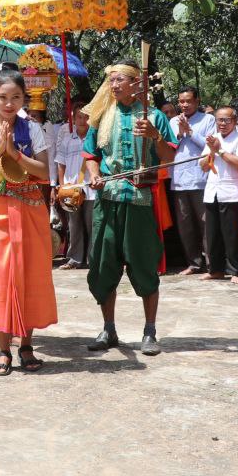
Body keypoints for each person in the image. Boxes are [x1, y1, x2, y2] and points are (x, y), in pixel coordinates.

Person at [82, 61, 177, 356]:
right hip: (107, 200)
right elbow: (91, 155)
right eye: (111, 80)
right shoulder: (101, 116)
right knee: (103, 265)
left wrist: (154, 136)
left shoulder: (155, 117)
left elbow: (168, 158)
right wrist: (94, 175)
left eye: (119, 79)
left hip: (140, 202)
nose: (113, 85)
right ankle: (108, 329)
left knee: (144, 264)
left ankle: (150, 331)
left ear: (137, 83)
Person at [0, 65, 57, 375]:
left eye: (16, 97)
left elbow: (44, 172)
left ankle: (26, 345)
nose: (9, 103)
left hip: (30, 207)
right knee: (2, 277)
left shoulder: (32, 129)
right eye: (3, 97)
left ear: (24, 99)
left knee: (30, 274)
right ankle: (3, 348)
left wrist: (15, 153)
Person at [202, 106, 238, 283]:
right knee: (213, 234)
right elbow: (203, 166)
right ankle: (215, 269)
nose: (222, 124)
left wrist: (220, 151)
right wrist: (211, 151)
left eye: (226, 120)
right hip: (212, 191)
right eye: (219, 120)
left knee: (232, 235)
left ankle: (236, 271)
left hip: (232, 193)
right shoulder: (213, 138)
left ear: (234, 121)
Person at [168, 86, 215, 275]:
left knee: (206, 224)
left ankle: (212, 265)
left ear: (197, 101)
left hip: (201, 179)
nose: (185, 105)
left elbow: (209, 145)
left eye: (188, 101)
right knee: (185, 225)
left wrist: (190, 132)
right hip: (179, 180)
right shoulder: (173, 121)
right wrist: (179, 133)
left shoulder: (208, 119)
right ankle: (194, 263)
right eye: (181, 101)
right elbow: (169, 147)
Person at [54, 99, 95, 270]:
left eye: (86, 117)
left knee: (92, 224)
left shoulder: (95, 138)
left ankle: (93, 259)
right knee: (74, 225)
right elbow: (60, 164)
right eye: (79, 117)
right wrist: (62, 186)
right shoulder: (67, 140)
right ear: (73, 118)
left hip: (91, 189)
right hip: (71, 189)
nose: (82, 120)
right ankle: (74, 259)